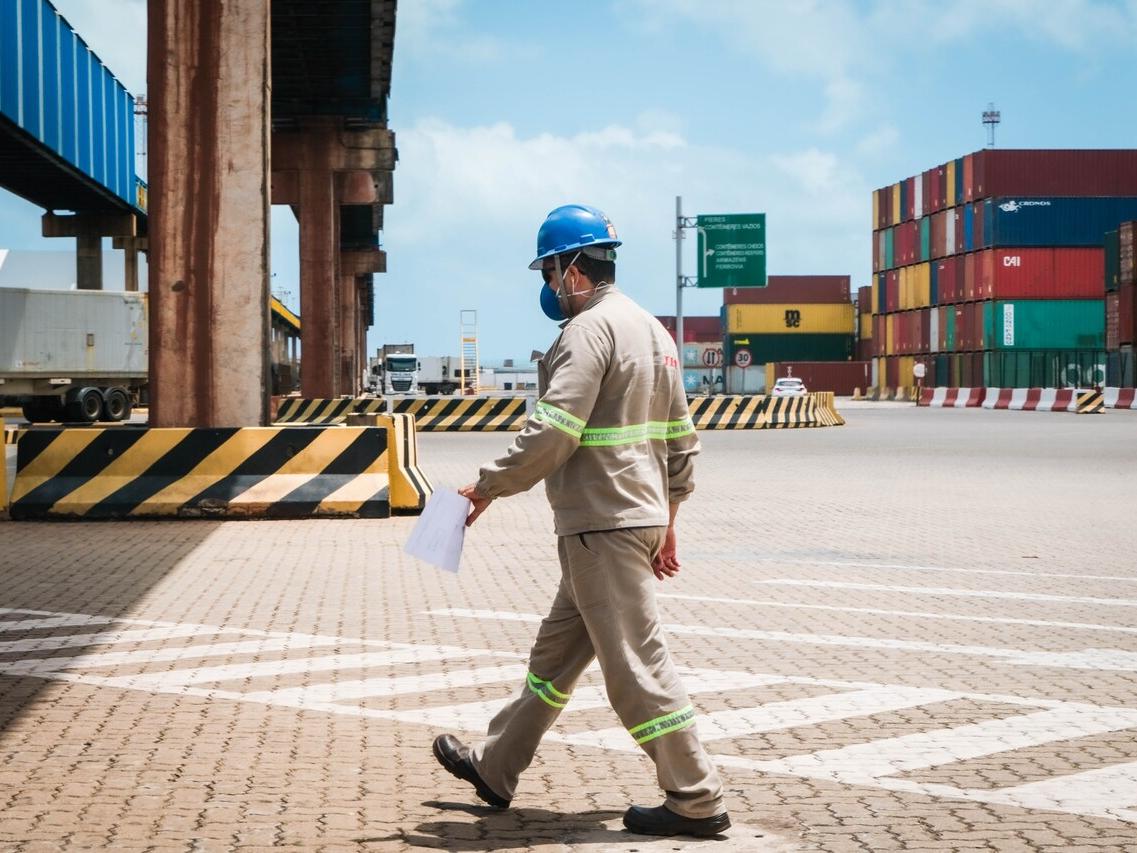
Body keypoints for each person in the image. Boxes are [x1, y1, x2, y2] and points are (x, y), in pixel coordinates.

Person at [431, 204, 730, 838]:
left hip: (603, 524)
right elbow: (682, 441)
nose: (547, 284)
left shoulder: (588, 331)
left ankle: (696, 799)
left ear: (570, 270)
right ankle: (495, 766)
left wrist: (487, 487)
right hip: (629, 518)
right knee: (555, 658)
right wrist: (667, 520)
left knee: (637, 668)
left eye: (547, 271)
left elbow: (555, 430)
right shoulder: (653, 330)